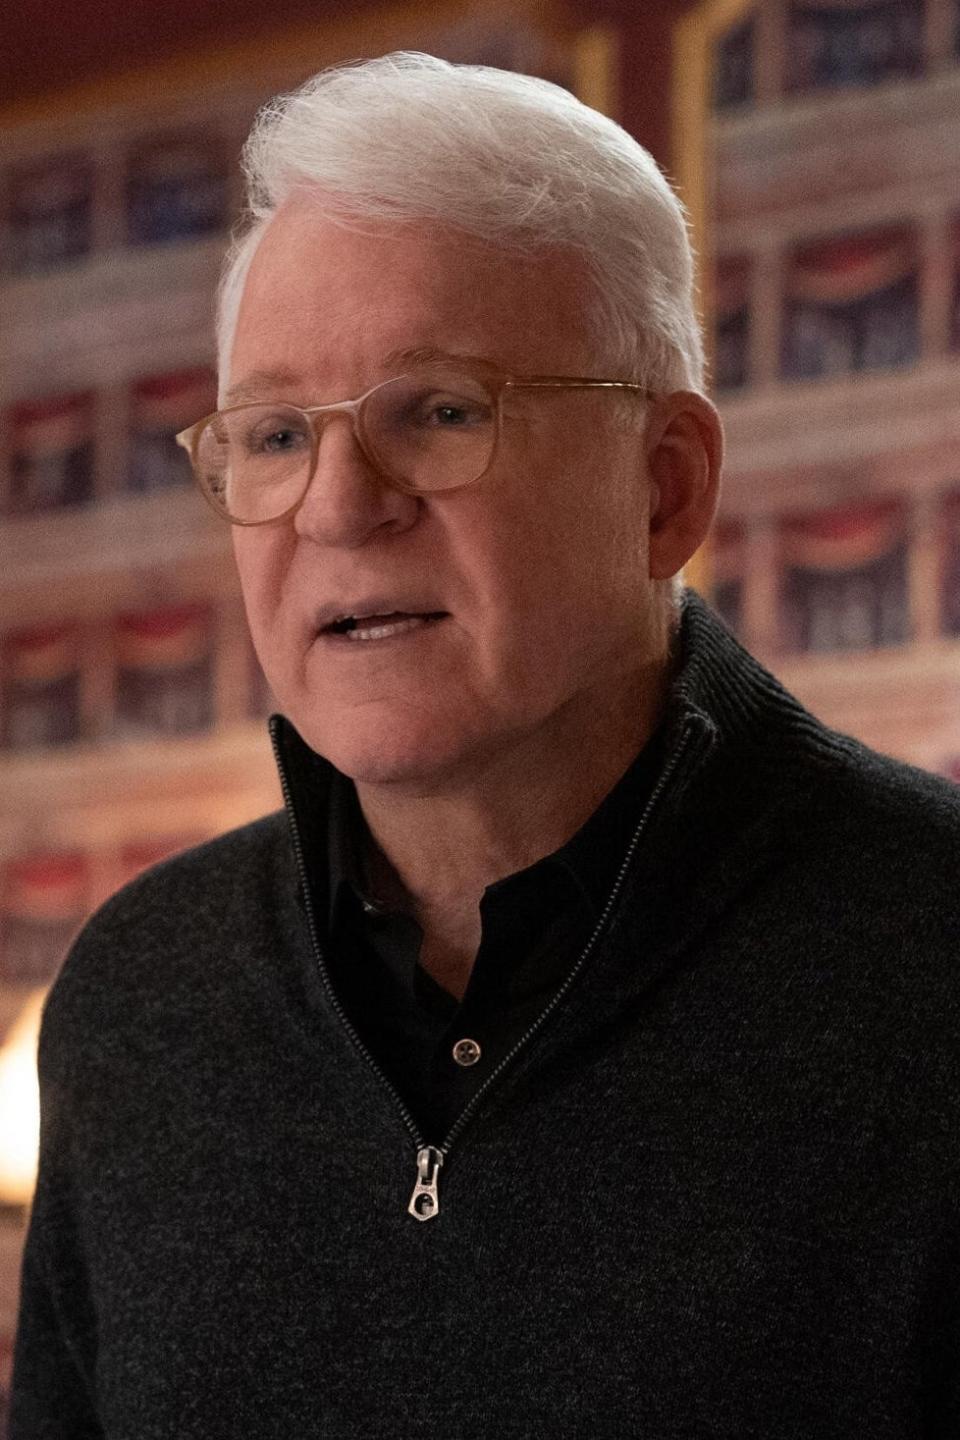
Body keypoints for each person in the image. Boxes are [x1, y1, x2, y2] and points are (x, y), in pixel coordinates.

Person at [11, 52, 960, 1439]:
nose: (337, 508)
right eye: (276, 433)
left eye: (441, 411)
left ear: (666, 485)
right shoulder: (137, 995)